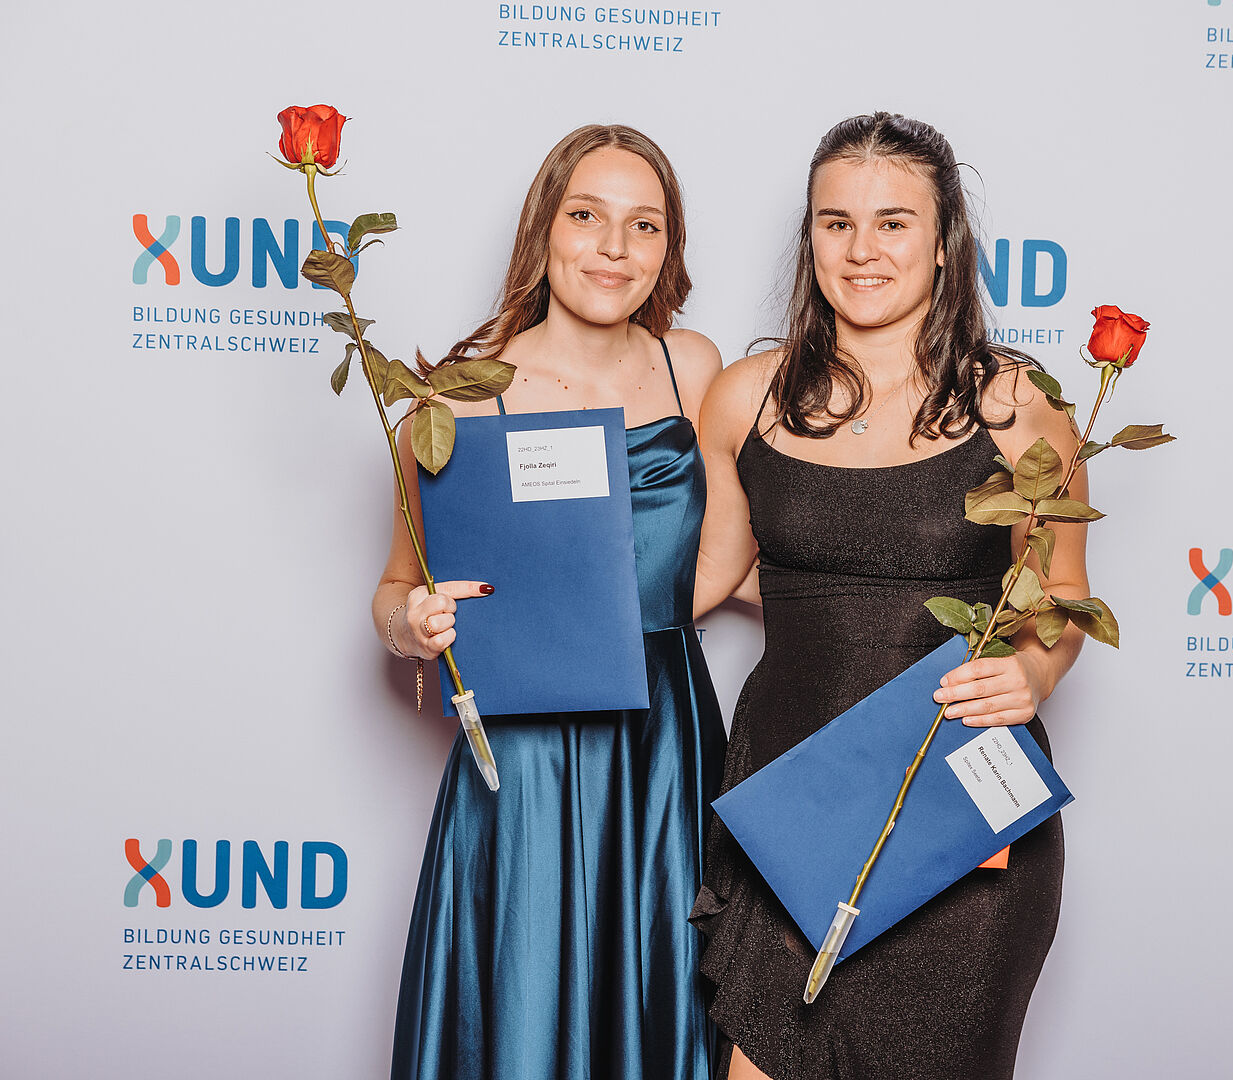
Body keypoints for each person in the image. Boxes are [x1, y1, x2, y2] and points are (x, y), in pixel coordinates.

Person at [689, 112, 1090, 1080]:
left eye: (892, 223)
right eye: (836, 223)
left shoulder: (1018, 407)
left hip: (961, 817)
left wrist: (1031, 674)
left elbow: (1061, 603)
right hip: (795, 805)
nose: (860, 249)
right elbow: (705, 579)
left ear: (944, 241)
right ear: (811, 238)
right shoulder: (745, 397)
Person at [373, 124, 727, 1080]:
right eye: (586, 216)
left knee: (661, 986)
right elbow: (394, 592)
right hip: (524, 753)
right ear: (543, 229)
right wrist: (414, 624)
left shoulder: (693, 368)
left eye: (644, 224)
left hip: (664, 738)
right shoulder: (452, 399)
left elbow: (743, 548)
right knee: (524, 993)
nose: (614, 248)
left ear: (667, 247)